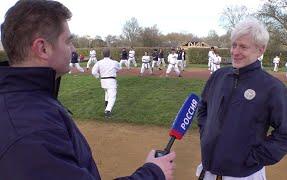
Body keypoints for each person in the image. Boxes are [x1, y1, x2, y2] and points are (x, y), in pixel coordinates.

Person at [0, 1, 176, 180]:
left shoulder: (25, 102)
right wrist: (153, 174)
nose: (74, 49)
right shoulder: (31, 128)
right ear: (43, 48)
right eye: (68, 41)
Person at [197, 18, 287, 180]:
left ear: (260, 50)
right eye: (234, 45)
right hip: (208, 170)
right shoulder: (218, 76)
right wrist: (206, 134)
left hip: (244, 175)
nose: (235, 51)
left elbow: (286, 135)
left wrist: (252, 158)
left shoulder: (273, 88)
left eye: (243, 46)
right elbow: (203, 108)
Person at [92, 48, 120, 118]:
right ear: (110, 54)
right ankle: (108, 111)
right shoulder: (114, 62)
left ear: (102, 54)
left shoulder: (99, 62)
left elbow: (93, 72)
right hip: (111, 81)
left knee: (107, 92)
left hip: (103, 81)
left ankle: (106, 104)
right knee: (112, 96)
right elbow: (119, 68)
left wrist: (98, 76)